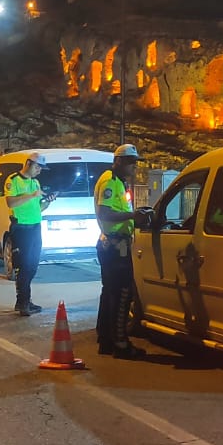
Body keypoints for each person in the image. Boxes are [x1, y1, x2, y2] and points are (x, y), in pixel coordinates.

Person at [93, 143, 151, 358]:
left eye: (135, 163)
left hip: (113, 244)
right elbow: (105, 213)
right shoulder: (110, 181)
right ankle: (120, 343)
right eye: (130, 163)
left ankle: (105, 339)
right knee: (122, 294)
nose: (134, 167)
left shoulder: (117, 181)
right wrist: (133, 216)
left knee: (109, 292)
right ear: (117, 161)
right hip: (115, 246)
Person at [4, 153, 50, 316]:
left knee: (32, 266)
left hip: (35, 227)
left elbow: (37, 208)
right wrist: (32, 195)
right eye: (37, 167)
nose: (39, 171)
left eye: (41, 168)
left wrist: (47, 202)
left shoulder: (35, 182)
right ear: (28, 163)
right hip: (21, 228)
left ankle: (24, 300)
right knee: (23, 266)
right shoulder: (13, 180)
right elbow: (10, 202)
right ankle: (23, 302)